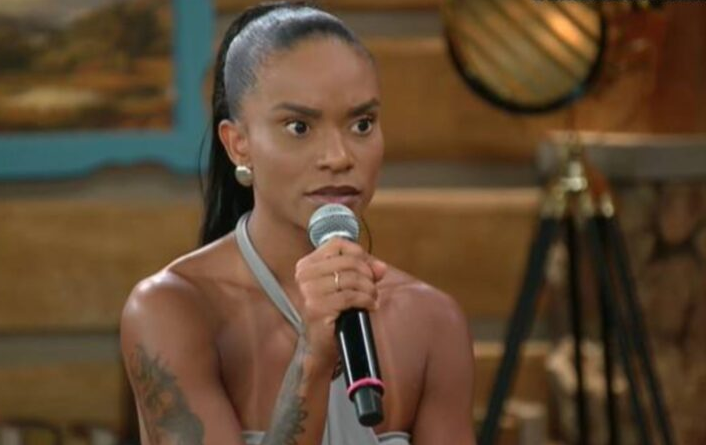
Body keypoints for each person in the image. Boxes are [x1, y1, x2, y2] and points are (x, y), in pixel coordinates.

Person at [119, 2, 475, 444]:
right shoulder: (171, 310)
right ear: (238, 144)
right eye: (299, 127)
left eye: (362, 124)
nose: (339, 157)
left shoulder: (432, 321)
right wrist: (312, 356)